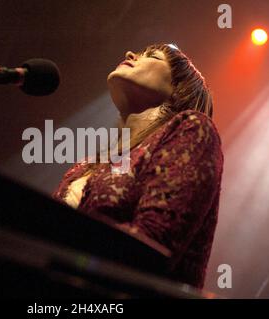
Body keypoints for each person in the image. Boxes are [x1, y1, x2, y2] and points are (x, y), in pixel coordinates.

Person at [52, 43, 224, 289]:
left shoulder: (193, 128)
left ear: (179, 89)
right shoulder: (89, 163)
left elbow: (152, 243)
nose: (129, 54)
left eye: (152, 56)